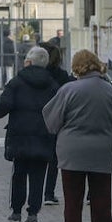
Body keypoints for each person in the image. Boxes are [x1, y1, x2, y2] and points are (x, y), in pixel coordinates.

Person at [42, 49, 112, 222]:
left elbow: (51, 122)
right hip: (102, 153)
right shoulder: (109, 90)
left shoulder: (68, 90)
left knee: (73, 203)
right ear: (97, 65)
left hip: (72, 154)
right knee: (101, 203)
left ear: (76, 67)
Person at [0, 45, 59, 222]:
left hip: (20, 135)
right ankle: (33, 214)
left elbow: (4, 105)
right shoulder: (53, 85)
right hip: (44, 135)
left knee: (19, 173)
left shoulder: (17, 82)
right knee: (38, 175)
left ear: (28, 62)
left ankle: (16, 212)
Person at [40, 42, 73, 206]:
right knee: (53, 158)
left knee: (38, 159)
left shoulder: (36, 74)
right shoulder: (62, 75)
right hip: (56, 119)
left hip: (37, 120)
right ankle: (48, 193)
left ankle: (36, 193)